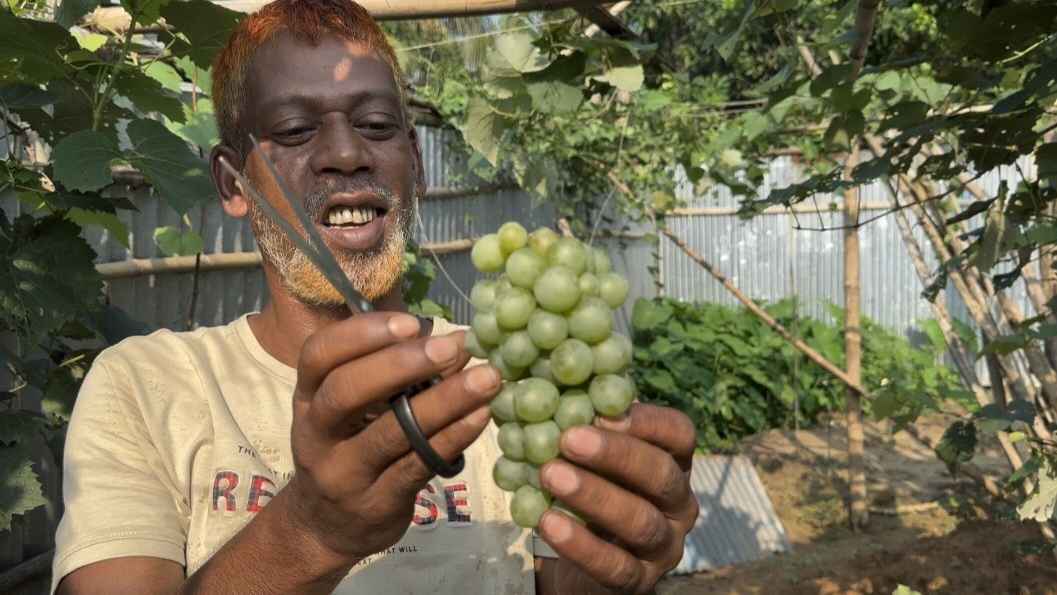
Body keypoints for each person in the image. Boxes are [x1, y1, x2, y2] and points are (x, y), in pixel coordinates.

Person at [50, 0, 699, 593]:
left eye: (378, 124)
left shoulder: (513, 381)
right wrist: (311, 532)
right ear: (231, 180)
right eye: (297, 129)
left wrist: (614, 560)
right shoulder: (147, 386)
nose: (345, 152)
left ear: (414, 161)